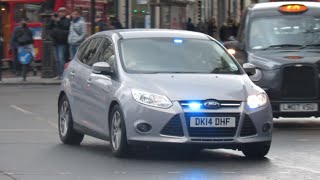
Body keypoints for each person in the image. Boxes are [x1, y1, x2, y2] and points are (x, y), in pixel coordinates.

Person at [49, 7, 70, 80]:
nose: (61, 13)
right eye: (60, 12)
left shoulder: (66, 20)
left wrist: (58, 21)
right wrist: (52, 20)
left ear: (65, 13)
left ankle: (63, 74)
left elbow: (66, 27)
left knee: (61, 59)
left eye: (63, 12)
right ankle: (59, 75)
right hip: (55, 42)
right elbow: (49, 27)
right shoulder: (55, 20)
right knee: (57, 60)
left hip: (62, 42)